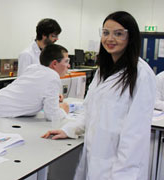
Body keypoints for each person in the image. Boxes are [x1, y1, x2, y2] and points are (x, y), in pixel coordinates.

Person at [42, 11, 156, 179]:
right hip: (97, 157)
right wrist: (69, 129)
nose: (110, 39)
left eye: (118, 34)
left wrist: (123, 174)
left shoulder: (141, 74)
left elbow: (136, 134)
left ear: (130, 37)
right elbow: (89, 110)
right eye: (105, 32)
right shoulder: (104, 70)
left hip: (121, 166)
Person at [0, 44, 69, 121]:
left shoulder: (34, 68)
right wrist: (63, 110)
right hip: (0, 114)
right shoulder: (53, 76)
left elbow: (31, 93)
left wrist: (53, 98)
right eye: (66, 61)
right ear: (54, 64)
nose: (68, 65)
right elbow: (52, 116)